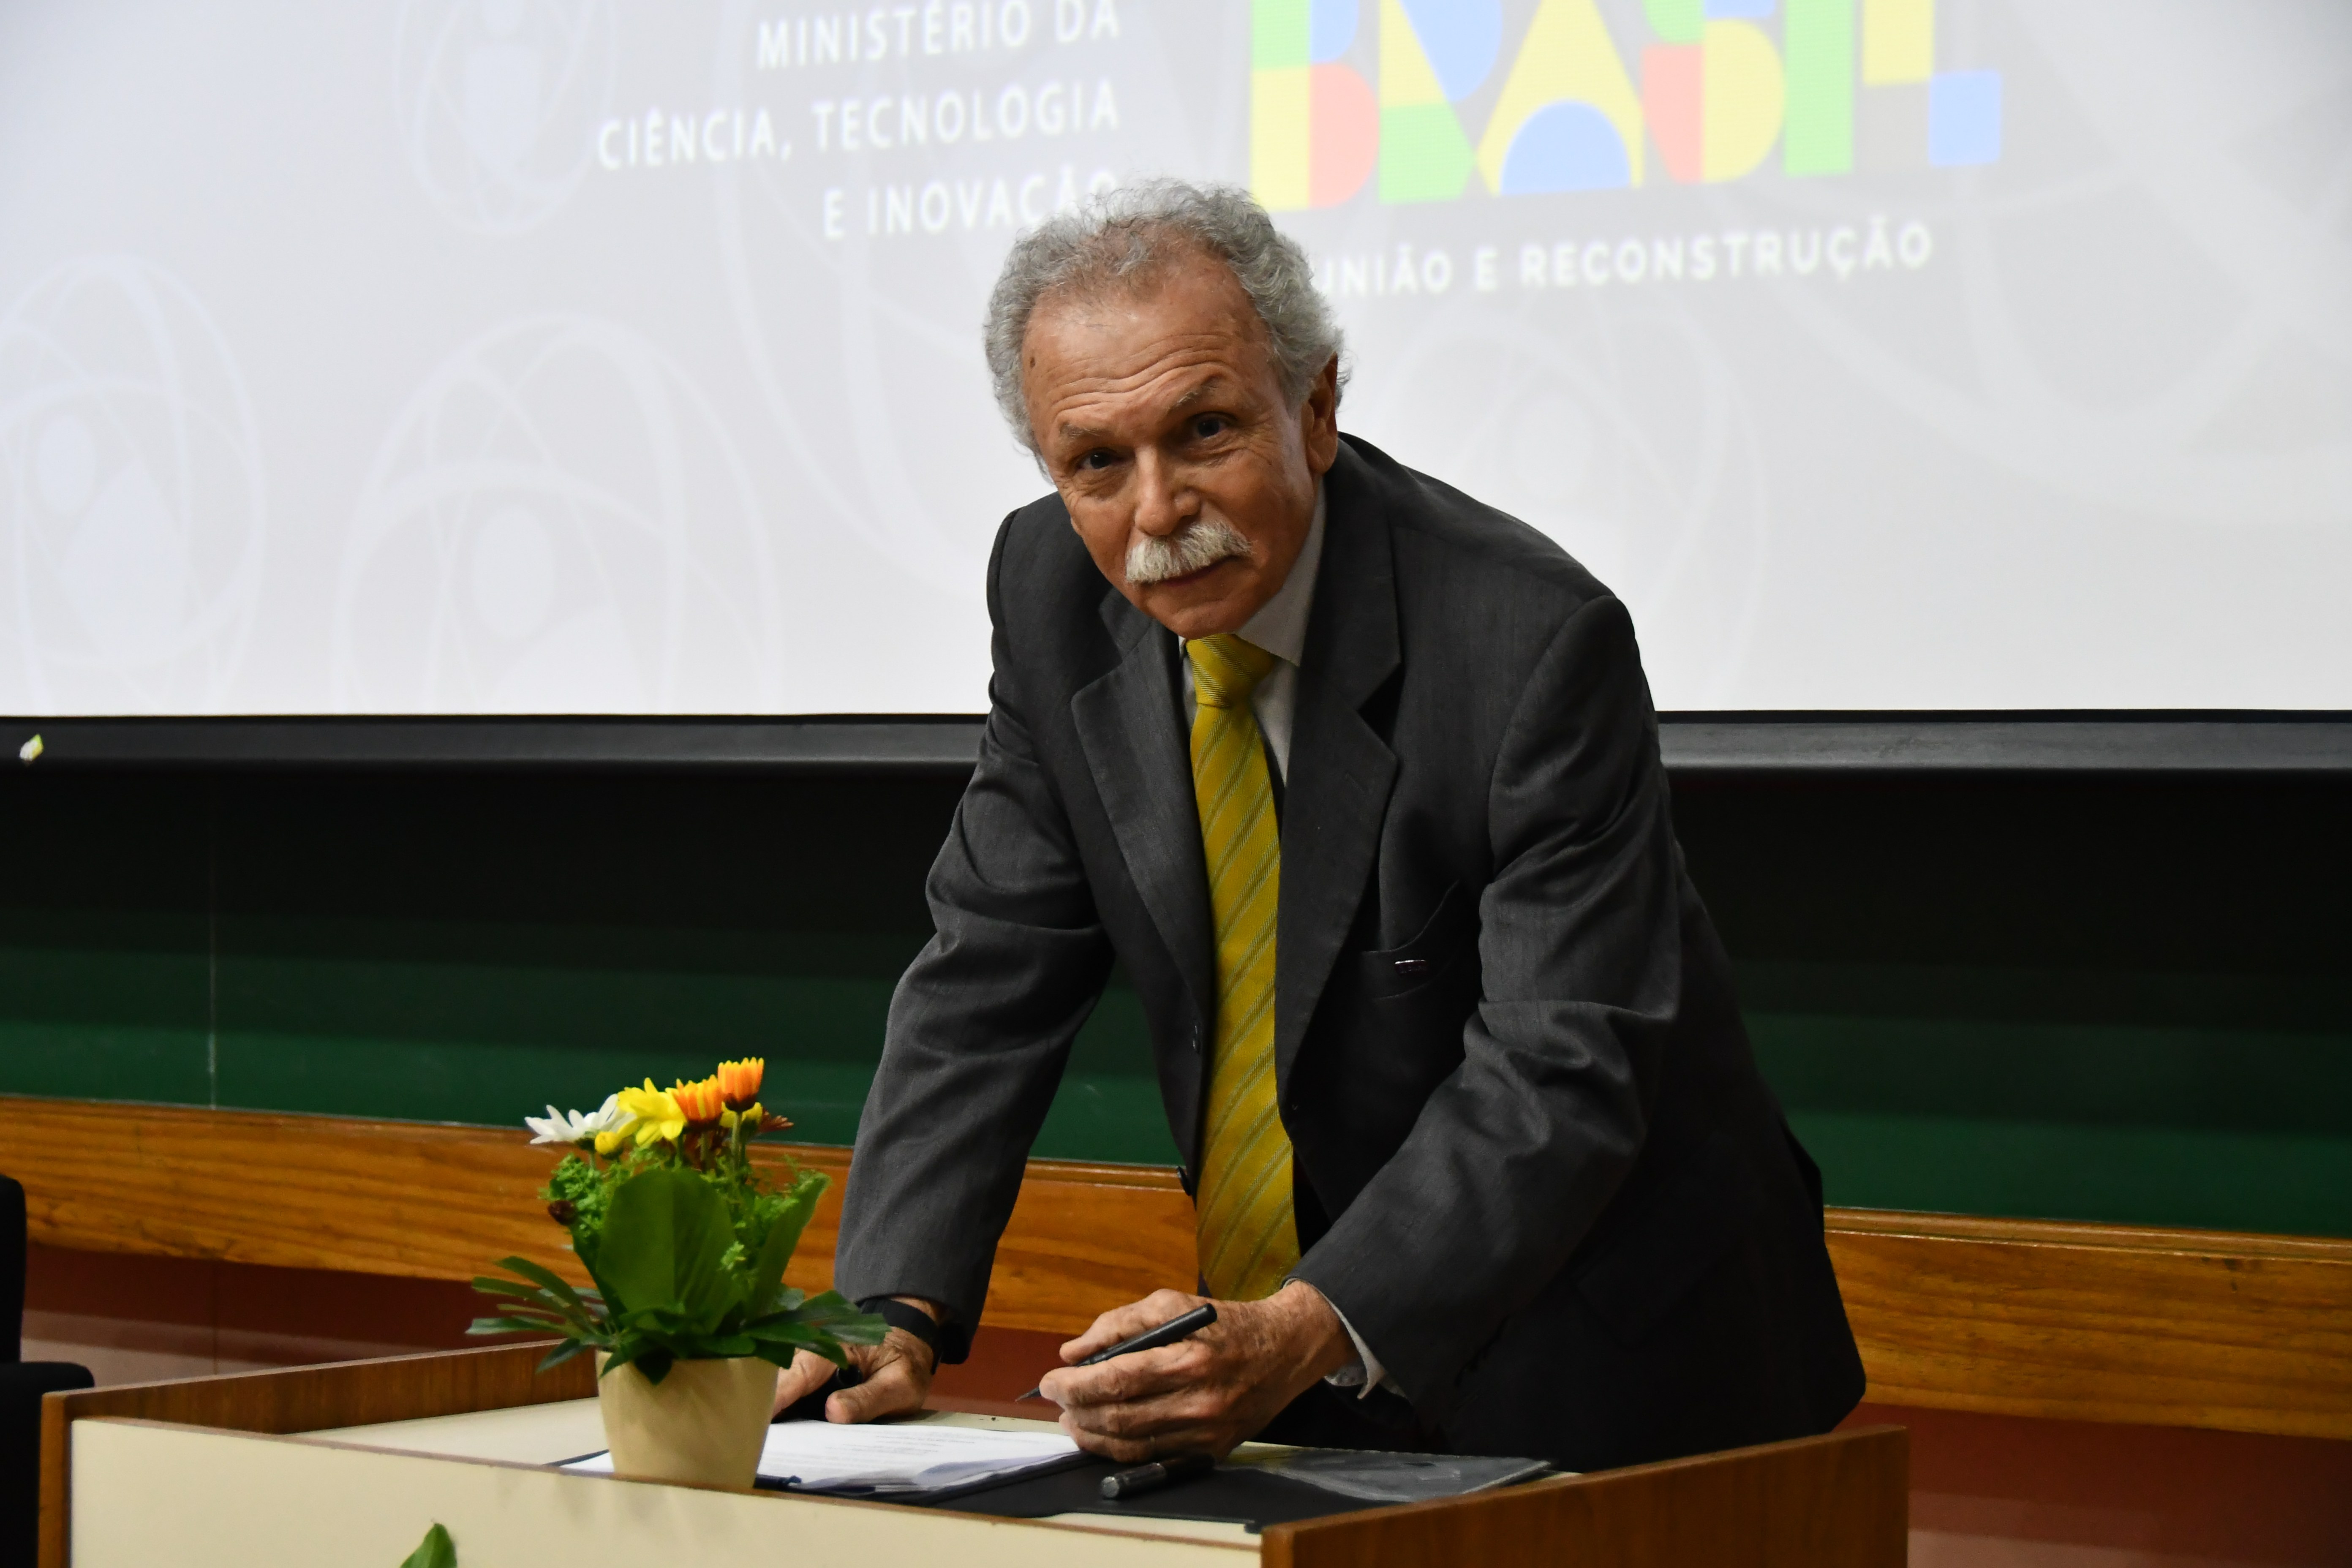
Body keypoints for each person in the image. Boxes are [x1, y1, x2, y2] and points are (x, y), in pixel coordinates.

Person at [772, 180, 1863, 1470]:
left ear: (1319, 407)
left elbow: (1561, 1065)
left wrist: (1304, 1326)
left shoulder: (1527, 643)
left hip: (1618, 1354)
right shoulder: (1053, 591)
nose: (1160, 510)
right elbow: (988, 968)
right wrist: (894, 1303)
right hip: (1308, 1350)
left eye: (1208, 430)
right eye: (1097, 463)